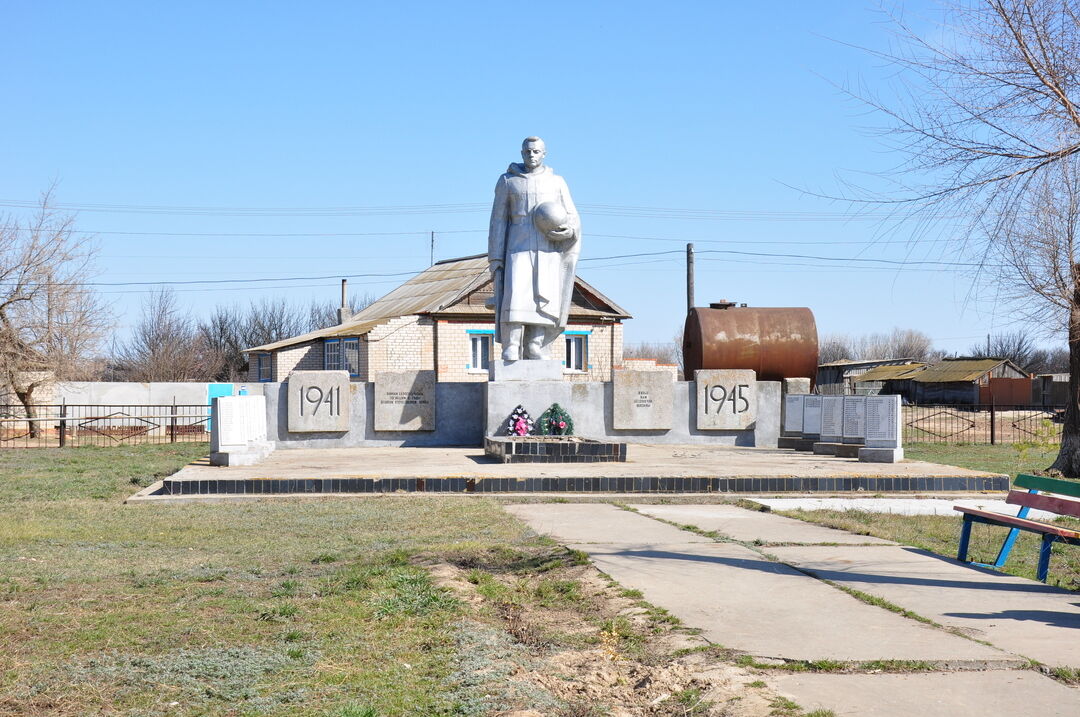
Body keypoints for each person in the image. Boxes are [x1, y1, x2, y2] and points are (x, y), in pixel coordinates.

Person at [487, 136, 581, 361]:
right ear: (521, 153)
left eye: (536, 152)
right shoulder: (508, 181)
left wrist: (569, 231)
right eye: (528, 151)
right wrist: (495, 256)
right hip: (517, 246)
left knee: (543, 297)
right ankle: (511, 344)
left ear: (544, 154)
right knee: (516, 295)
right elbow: (498, 220)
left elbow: (571, 215)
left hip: (548, 247)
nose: (532, 155)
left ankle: (534, 345)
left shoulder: (556, 182)